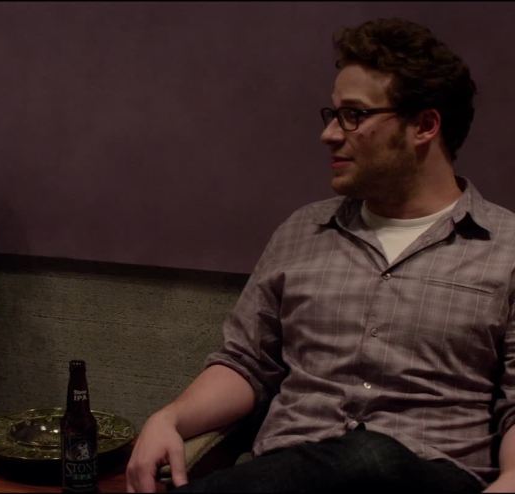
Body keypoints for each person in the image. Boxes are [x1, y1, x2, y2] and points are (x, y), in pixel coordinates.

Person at [126, 17, 515, 493]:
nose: (329, 134)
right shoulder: (302, 232)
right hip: (291, 469)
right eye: (332, 114)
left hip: (426, 475)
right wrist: (169, 417)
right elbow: (247, 363)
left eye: (354, 115)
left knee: (369, 455)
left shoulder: (506, 250)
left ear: (424, 125)